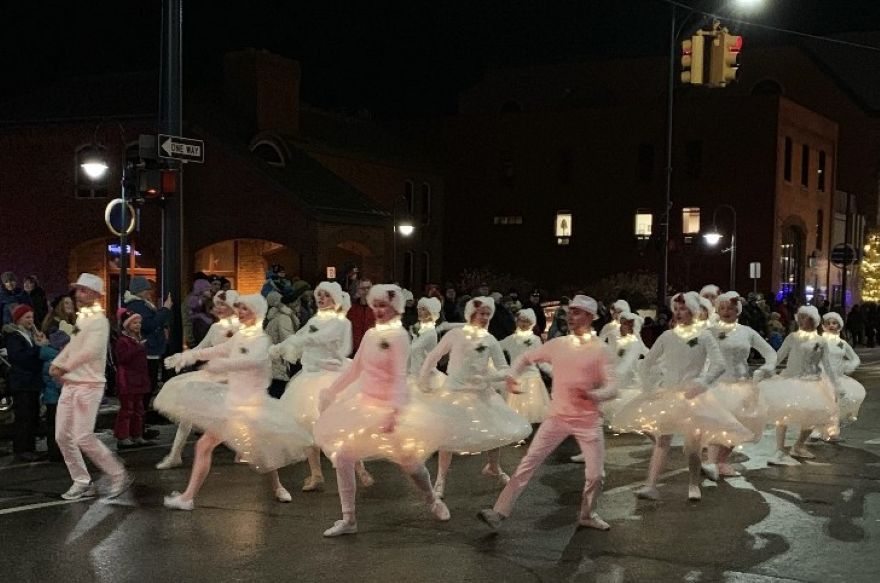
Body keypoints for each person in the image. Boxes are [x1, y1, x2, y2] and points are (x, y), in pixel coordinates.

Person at [315, 284, 450, 537]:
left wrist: (394, 411)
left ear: (395, 308)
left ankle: (431, 498)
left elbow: (399, 376)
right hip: (364, 405)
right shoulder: (370, 335)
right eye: (375, 305)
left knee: (409, 462)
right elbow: (355, 369)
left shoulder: (399, 337)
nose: (378, 310)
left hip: (390, 407)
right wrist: (332, 390)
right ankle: (348, 518)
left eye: (383, 306)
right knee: (343, 456)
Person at [160, 294, 311, 510]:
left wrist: (223, 365)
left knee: (262, 451)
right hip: (233, 403)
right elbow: (217, 350)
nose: (240, 312)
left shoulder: (261, 339)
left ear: (256, 313)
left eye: (245, 309)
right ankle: (188, 497)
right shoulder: (241, 335)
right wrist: (188, 356)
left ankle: (277, 487)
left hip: (252, 405)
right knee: (204, 445)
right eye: (239, 308)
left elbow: (252, 361)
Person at [478, 295, 616, 531]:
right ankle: (499, 511)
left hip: (588, 421)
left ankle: (587, 514)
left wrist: (594, 395)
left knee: (596, 475)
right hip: (558, 417)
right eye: (570, 311)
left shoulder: (601, 350)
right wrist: (512, 375)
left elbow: (613, 387)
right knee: (528, 462)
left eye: (577, 312)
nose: (570, 316)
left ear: (590, 317)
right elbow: (526, 357)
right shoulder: (558, 344)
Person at [614, 292, 751, 501]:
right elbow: (647, 362)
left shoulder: (704, 336)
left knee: (693, 446)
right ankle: (651, 485)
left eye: (684, 309)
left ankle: (694, 484)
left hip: (694, 397)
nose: (679, 313)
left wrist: (702, 382)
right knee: (662, 441)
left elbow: (719, 364)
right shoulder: (667, 336)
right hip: (669, 395)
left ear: (693, 312)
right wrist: (651, 386)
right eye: (676, 309)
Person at [418, 296, 531, 499]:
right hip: (455, 392)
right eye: (481, 313)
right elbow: (434, 355)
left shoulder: (489, 339)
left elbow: (503, 367)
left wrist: (492, 376)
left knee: (495, 431)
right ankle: (441, 478)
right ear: (471, 313)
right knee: (447, 436)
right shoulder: (456, 334)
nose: (485, 317)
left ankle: (494, 467)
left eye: (488, 314)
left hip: (481, 393)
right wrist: (423, 378)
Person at [272, 282, 374, 491]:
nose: (321, 298)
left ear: (335, 299)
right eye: (319, 295)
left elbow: (336, 344)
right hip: (310, 377)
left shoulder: (341, 322)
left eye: (326, 295)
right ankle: (316, 474)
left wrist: (329, 356)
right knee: (308, 427)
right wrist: (281, 347)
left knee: (339, 426)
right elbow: (300, 336)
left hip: (330, 377)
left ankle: (358, 467)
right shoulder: (315, 320)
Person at [50, 273, 131, 500]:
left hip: (89, 385)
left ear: (96, 295)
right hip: (72, 384)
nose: (78, 294)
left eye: (84, 291)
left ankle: (118, 474)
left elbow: (91, 351)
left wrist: (63, 366)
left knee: (83, 436)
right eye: (78, 290)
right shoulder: (83, 319)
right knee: (62, 436)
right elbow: (74, 345)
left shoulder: (99, 321)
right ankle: (81, 481)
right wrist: (59, 363)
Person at [154, 290, 240, 470]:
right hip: (213, 375)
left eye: (223, 304)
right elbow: (201, 348)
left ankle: (243, 451)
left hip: (233, 378)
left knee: (237, 416)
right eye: (217, 304)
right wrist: (182, 357)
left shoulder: (242, 328)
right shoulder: (215, 328)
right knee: (188, 412)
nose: (219, 308)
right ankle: (175, 454)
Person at [703, 292, 776, 478]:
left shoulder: (747, 332)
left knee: (740, 425)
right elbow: (693, 351)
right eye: (722, 308)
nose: (726, 311)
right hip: (717, 385)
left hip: (742, 385)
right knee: (719, 423)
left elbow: (770, 353)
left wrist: (767, 368)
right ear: (717, 311)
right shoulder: (709, 331)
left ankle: (721, 461)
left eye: (731, 308)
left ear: (738, 311)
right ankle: (711, 462)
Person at [759, 306, 839, 465]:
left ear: (814, 320)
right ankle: (780, 450)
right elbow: (778, 357)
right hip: (790, 380)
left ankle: (799, 445)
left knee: (812, 416)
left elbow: (827, 365)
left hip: (812, 382)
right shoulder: (792, 337)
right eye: (800, 317)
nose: (802, 321)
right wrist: (767, 368)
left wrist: (835, 385)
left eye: (806, 318)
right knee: (782, 415)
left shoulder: (821, 341)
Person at [4, 304, 48, 462]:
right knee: (24, 417)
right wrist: (38, 349)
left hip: (31, 382)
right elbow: (20, 358)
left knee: (32, 415)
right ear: (18, 319)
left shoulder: (29, 335)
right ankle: (22, 449)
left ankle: (30, 448)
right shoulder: (14, 336)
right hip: (22, 383)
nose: (31, 320)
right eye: (27, 317)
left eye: (32, 317)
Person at [124, 276, 173, 409]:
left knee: (148, 384)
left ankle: (141, 414)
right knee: (148, 384)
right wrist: (165, 309)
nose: (149, 292)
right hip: (147, 350)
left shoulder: (140, 304)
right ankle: (141, 415)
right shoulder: (138, 306)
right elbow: (149, 325)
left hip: (148, 349)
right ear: (140, 291)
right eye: (147, 289)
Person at [600, 311, 649, 435]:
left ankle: (629, 423)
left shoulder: (635, 342)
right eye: (622, 323)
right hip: (617, 376)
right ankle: (618, 422)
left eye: (626, 324)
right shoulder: (617, 338)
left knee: (628, 399)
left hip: (630, 378)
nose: (622, 326)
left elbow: (640, 355)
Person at [499, 308, 550, 424]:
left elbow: (541, 360)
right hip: (516, 378)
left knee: (533, 408)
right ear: (517, 321)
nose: (523, 324)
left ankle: (531, 428)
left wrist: (551, 371)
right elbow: (497, 347)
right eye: (521, 320)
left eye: (526, 321)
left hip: (532, 378)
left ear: (531, 323)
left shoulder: (535, 340)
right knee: (516, 410)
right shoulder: (511, 339)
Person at [819, 311, 864, 439]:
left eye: (834, 323)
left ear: (839, 326)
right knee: (821, 404)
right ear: (824, 326)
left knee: (835, 405)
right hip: (821, 377)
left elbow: (855, 358)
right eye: (828, 323)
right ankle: (817, 429)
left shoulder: (842, 343)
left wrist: (848, 366)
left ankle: (833, 431)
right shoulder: (820, 341)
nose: (831, 325)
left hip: (837, 378)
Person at [113, 309, 154, 449]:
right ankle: (123, 436)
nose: (138, 325)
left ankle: (136, 434)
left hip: (139, 379)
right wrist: (138, 348)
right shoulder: (123, 341)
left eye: (139, 323)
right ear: (127, 325)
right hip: (127, 380)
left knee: (138, 409)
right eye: (134, 323)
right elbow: (122, 358)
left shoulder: (138, 340)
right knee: (127, 409)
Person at [40, 330, 69, 462]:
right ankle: (56, 452)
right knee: (56, 426)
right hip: (55, 398)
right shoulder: (54, 361)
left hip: (55, 397)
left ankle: (57, 451)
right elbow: (56, 381)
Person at [265, 290, 298, 399]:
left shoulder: (274, 316)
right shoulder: (283, 318)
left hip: (272, 359)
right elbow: (288, 340)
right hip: (279, 360)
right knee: (277, 392)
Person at [347, 278, 375, 354]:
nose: (366, 291)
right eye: (362, 288)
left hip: (373, 351)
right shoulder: (352, 310)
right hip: (356, 351)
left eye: (368, 288)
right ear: (358, 291)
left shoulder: (378, 308)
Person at [185, 278, 214, 349]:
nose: (210, 292)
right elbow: (188, 319)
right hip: (196, 336)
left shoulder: (205, 301)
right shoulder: (193, 300)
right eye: (207, 290)